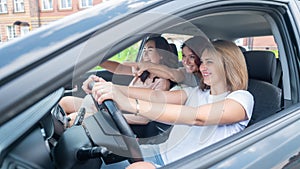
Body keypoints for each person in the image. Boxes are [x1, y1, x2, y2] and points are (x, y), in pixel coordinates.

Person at [88, 38, 254, 168]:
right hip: (161, 152)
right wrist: (111, 88)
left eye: (209, 62)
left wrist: (128, 104)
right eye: (202, 61)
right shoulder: (196, 92)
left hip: (186, 164)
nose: (202, 67)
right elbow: (155, 97)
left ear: (228, 64)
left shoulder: (241, 98)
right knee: (100, 154)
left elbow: (197, 117)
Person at [59, 36, 177, 123]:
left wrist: (110, 117)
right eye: (144, 49)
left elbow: (146, 117)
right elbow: (117, 68)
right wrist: (95, 60)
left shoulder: (162, 82)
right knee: (64, 102)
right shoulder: (141, 72)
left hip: (120, 114)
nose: (145, 53)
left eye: (150, 50)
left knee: (72, 119)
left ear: (162, 54)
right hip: (110, 105)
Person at [124, 36, 211, 89]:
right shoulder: (184, 72)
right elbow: (171, 73)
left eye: (192, 57)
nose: (186, 62)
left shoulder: (213, 75)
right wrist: (146, 66)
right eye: (184, 56)